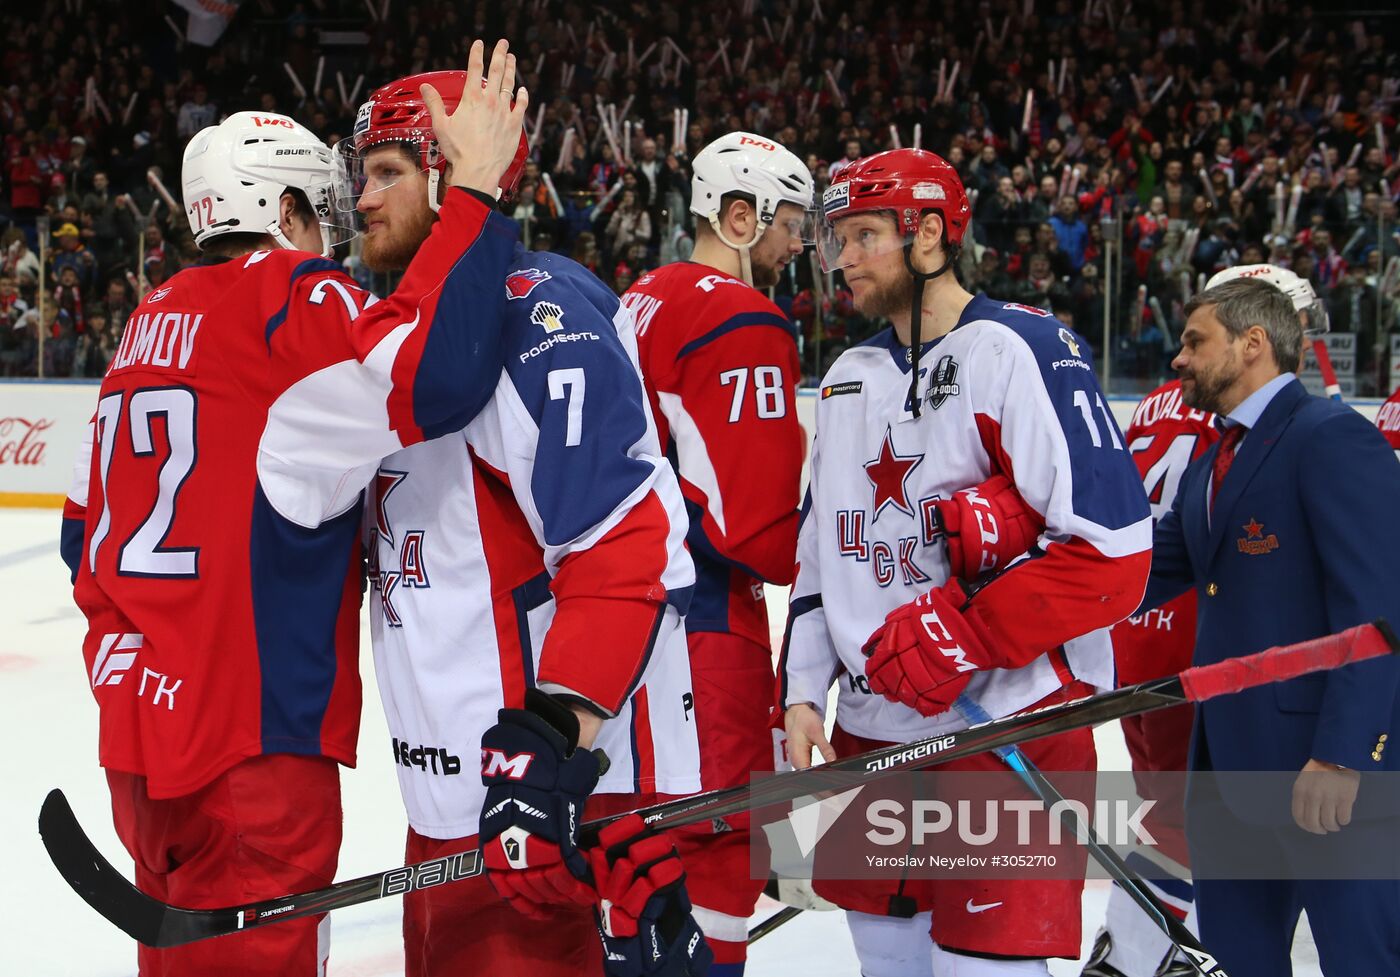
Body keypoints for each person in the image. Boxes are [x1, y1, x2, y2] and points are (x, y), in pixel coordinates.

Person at [58, 41, 529, 977]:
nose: (336, 232)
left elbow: (82, 535)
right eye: (318, 209)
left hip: (140, 736)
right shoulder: (289, 295)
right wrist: (474, 191)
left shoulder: (148, 324)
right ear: (280, 211)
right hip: (251, 748)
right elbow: (435, 371)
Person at [341, 69, 708, 977]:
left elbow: (626, 541)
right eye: (363, 172)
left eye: (390, 170)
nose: (364, 197)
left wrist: (553, 740)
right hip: (448, 820)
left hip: (540, 819)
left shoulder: (535, 307)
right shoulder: (393, 334)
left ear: (453, 174)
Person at [780, 148, 1153, 977]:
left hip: (1006, 730)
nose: (842, 260)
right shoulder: (845, 378)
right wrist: (804, 693)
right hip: (872, 732)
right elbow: (818, 561)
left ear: (932, 235)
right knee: (887, 959)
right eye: (837, 238)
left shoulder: (1021, 348)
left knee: (987, 970)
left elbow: (1114, 551)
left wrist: (966, 637)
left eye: (865, 234)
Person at [1137, 276, 1400, 977]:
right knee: (1237, 960)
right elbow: (1138, 569)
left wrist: (1343, 754)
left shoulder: (1332, 436)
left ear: (1253, 344)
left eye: (1195, 341)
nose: (1180, 359)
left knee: (1362, 961)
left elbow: (1381, 609)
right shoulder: (1214, 454)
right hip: (1228, 773)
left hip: (1327, 774)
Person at [1086, 261, 1329, 977]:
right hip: (1208, 630)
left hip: (1136, 627)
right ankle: (1142, 953)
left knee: (1162, 801)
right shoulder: (1251, 410)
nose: (1304, 333)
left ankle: (1129, 946)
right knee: (1209, 818)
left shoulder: (1162, 398)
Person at [622, 130, 813, 974]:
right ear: (740, 216)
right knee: (715, 862)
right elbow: (762, 536)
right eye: (789, 223)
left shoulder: (641, 296)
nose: (800, 244)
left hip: (624, 633)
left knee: (640, 867)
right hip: (705, 633)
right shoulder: (741, 315)